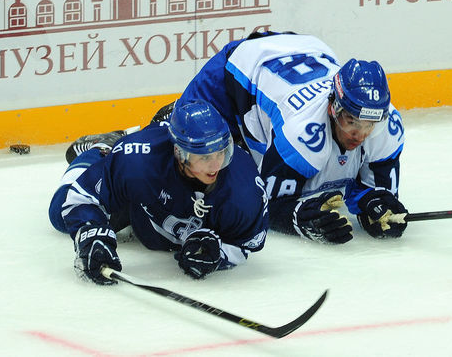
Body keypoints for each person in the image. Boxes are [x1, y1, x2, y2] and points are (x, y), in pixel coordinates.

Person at [161, 31, 408, 244]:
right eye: (351, 121)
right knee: (189, 153)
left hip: (309, 50)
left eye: (370, 125)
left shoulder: (388, 127)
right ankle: (162, 122)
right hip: (244, 67)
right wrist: (299, 218)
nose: (360, 134)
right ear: (332, 107)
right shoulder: (302, 133)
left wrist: (373, 206)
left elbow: (374, 191)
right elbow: (264, 202)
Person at [48, 100, 269, 285]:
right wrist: (92, 236)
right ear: (179, 152)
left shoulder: (244, 190)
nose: (215, 166)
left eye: (220, 153)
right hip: (139, 200)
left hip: (158, 220)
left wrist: (218, 253)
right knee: (59, 213)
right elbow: (81, 198)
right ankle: (102, 148)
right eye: (204, 157)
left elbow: (247, 243)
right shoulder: (138, 161)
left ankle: (164, 124)